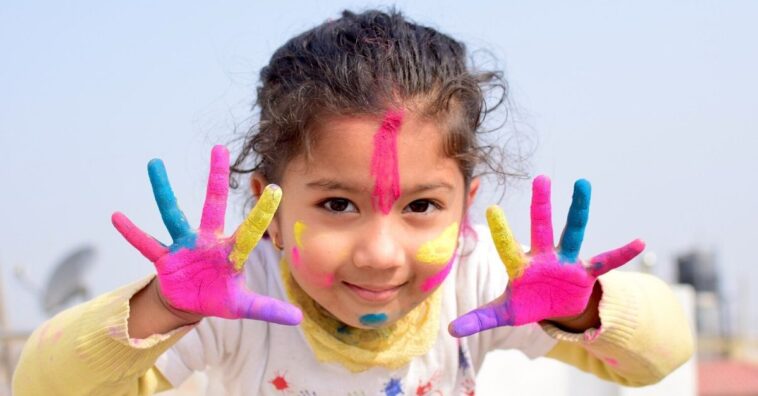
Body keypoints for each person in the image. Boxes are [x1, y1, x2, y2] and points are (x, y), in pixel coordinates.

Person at [13, 9, 693, 395]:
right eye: (338, 204)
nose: (380, 251)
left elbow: (663, 354)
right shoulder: (237, 298)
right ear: (269, 210)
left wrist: (582, 309)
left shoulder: (482, 282)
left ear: (467, 206)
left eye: (422, 206)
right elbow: (41, 387)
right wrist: (166, 308)